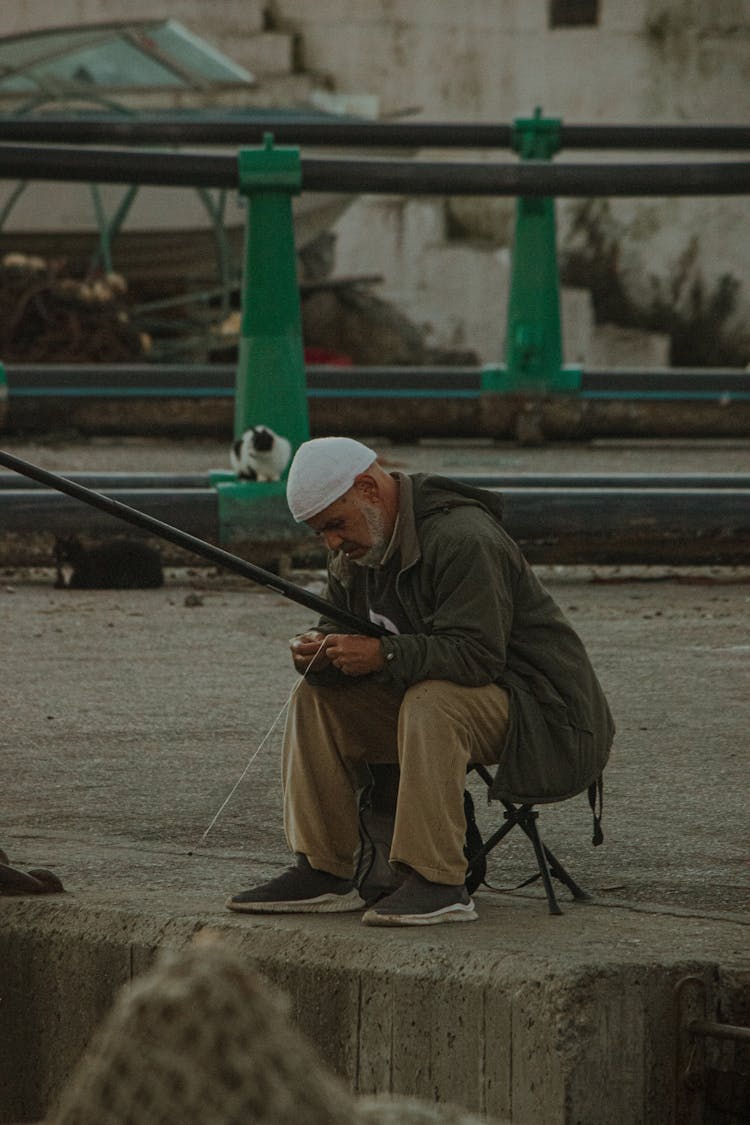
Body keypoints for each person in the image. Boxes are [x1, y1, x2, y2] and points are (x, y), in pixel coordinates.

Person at [226, 437, 614, 926]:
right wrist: (319, 650)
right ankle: (324, 870)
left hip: (543, 710)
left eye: (334, 525)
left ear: (367, 488)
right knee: (314, 697)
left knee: (433, 701)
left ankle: (438, 882)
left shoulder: (463, 539)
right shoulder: (358, 548)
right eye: (319, 532)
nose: (330, 543)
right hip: (445, 697)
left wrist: (383, 653)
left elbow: (477, 656)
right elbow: (340, 625)